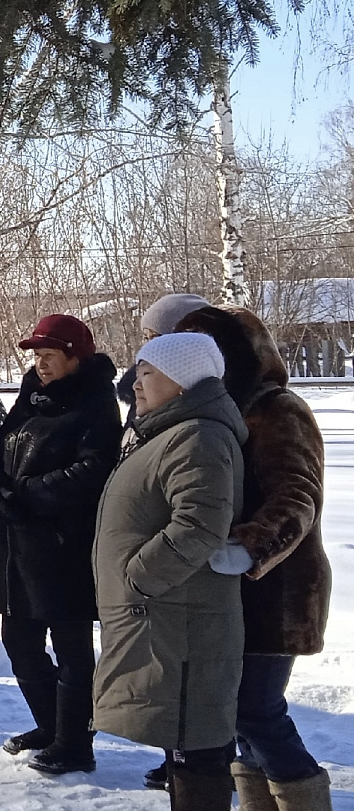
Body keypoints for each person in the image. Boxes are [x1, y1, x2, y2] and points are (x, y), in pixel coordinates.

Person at [176, 305, 334, 811]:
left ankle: (305, 799)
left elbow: (298, 493)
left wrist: (250, 546)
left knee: (256, 709)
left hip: (278, 589)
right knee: (234, 711)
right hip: (222, 587)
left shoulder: (276, 407)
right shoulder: (210, 407)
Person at [93, 332, 246, 810]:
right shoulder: (168, 432)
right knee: (183, 743)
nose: (137, 385)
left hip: (181, 621)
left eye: (149, 374)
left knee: (192, 746)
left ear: (182, 382)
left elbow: (200, 524)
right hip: (166, 617)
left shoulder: (197, 435)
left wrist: (139, 578)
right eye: (138, 372)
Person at [0, 314, 121, 774]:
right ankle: (51, 725)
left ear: (76, 357)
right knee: (19, 641)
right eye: (36, 356)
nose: (41, 364)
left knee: (71, 645)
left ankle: (76, 742)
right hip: (15, 544)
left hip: (63, 547)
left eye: (49, 356)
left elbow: (94, 470)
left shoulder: (94, 403)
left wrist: (24, 496)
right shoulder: (31, 398)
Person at [118, 293, 211, 428]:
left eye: (156, 337)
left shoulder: (201, 412)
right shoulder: (140, 389)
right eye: (146, 337)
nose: (149, 346)